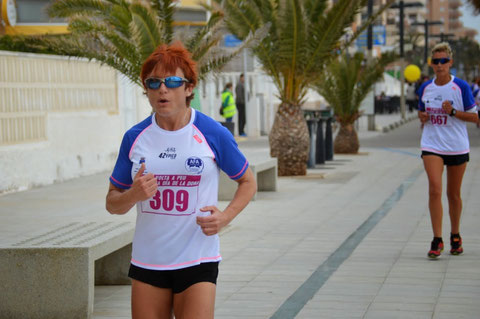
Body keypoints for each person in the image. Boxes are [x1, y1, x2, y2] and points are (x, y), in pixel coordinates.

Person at [106, 42, 257, 319]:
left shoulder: (212, 133)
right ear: (146, 91)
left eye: (173, 81)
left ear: (188, 89)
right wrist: (133, 195)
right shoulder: (134, 137)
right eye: (153, 83)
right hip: (148, 261)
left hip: (198, 259)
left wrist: (225, 217)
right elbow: (112, 204)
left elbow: (248, 181)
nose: (162, 89)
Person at [417, 42, 478, 259]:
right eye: (436, 61)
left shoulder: (461, 87)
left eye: (443, 61)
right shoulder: (425, 87)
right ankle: (437, 239)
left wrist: (453, 112)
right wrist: (422, 117)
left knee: (453, 194)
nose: (440, 65)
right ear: (431, 64)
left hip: (456, 145)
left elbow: (475, 117)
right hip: (432, 143)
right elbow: (421, 112)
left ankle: (455, 234)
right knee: (434, 189)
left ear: (450, 63)